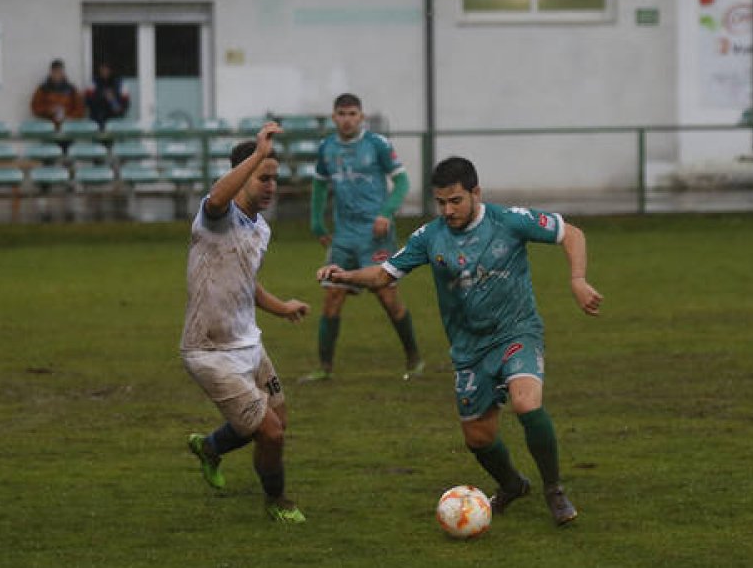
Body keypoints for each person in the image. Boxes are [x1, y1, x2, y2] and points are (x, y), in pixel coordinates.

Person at [317, 156, 603, 527]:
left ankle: (554, 490)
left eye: (456, 201)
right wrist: (345, 275)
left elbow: (572, 233)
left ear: (475, 193)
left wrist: (577, 280)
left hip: (517, 331)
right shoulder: (429, 237)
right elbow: (385, 275)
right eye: (441, 202)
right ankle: (513, 485)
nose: (448, 210)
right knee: (478, 438)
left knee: (526, 403)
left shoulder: (509, 220)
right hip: (469, 348)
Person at [183, 122, 311, 524]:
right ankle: (277, 501)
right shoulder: (214, 218)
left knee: (278, 420)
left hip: (249, 344)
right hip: (209, 350)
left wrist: (281, 307)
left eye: (275, 178)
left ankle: (210, 447)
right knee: (270, 433)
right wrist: (256, 153)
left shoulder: (262, 228)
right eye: (263, 177)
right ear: (241, 176)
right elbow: (217, 197)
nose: (272, 186)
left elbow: (245, 282)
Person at [301, 93, 421, 383]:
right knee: (332, 297)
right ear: (333, 117)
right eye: (341, 114)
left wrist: (386, 213)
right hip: (343, 236)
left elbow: (402, 181)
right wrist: (317, 223)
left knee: (388, 296)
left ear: (361, 117)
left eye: (352, 113)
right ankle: (324, 367)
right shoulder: (326, 148)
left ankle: (414, 357)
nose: (347, 119)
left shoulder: (377, 145)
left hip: (375, 235)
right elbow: (319, 186)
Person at [29, 59, 85, 126]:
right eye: (55, 71)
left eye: (59, 71)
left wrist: (68, 117)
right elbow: (35, 107)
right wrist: (49, 110)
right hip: (47, 125)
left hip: (67, 125)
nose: (57, 74)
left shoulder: (71, 89)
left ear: (63, 72)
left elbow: (80, 109)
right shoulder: (42, 89)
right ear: (51, 72)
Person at [84, 61, 130, 128]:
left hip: (115, 119)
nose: (105, 71)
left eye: (107, 69)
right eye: (102, 69)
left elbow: (125, 103)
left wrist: (113, 100)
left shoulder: (120, 83)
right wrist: (102, 96)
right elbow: (88, 101)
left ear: (111, 70)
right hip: (97, 119)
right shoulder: (93, 83)